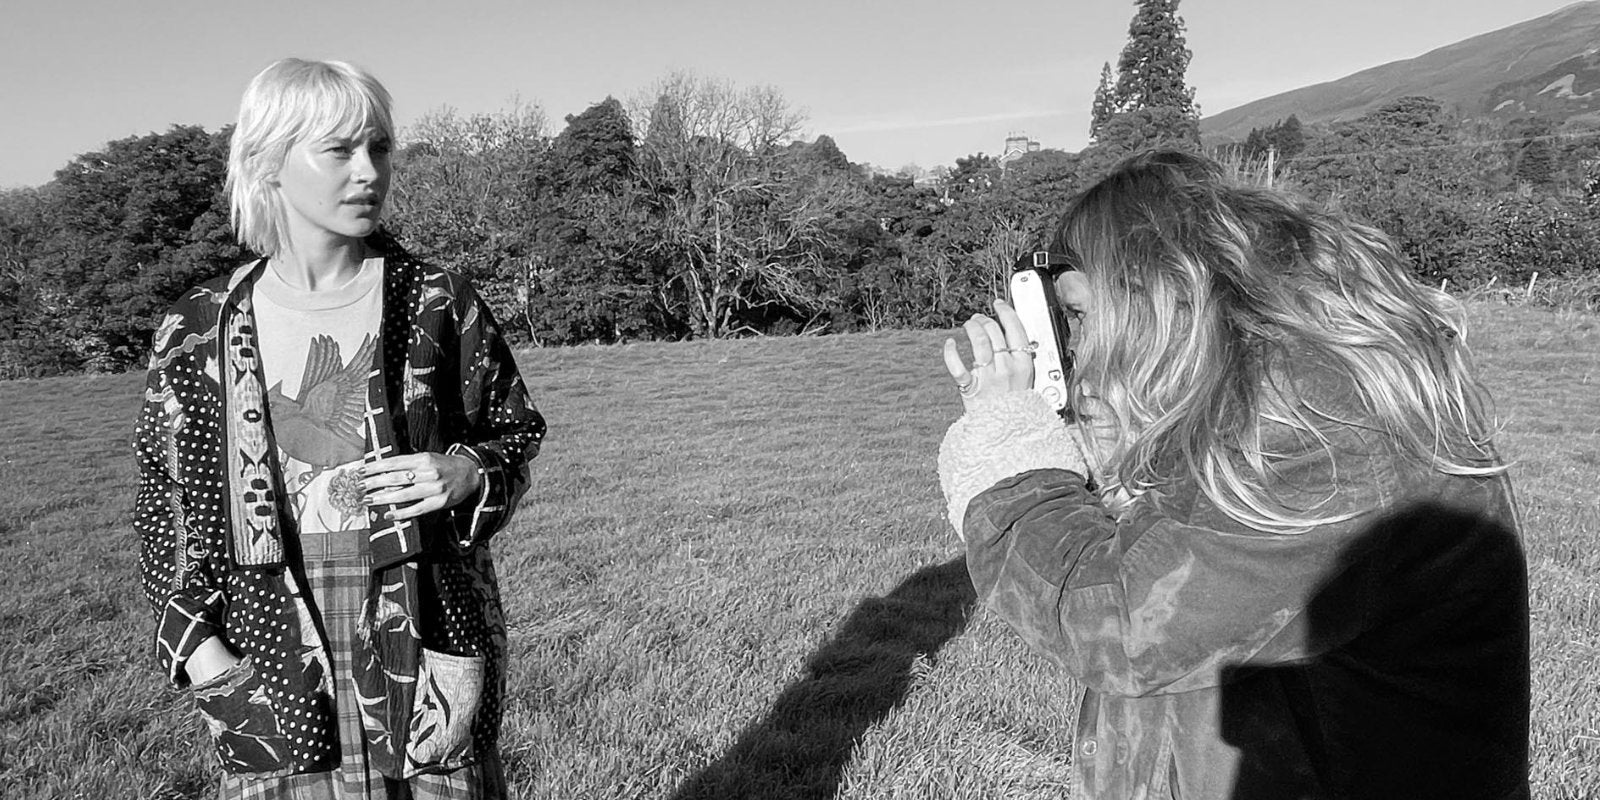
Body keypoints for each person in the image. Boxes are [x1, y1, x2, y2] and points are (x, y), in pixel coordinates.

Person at [937, 149, 1529, 799]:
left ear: (1162, 288)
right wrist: (1125, 446)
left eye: (1077, 314)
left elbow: (1121, 624)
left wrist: (1011, 464)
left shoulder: (1323, 425)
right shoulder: (1274, 394)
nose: (1074, 348)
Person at [134, 58, 545, 799]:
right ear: (268, 161)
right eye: (339, 150)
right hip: (269, 645)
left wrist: (468, 470)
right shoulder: (196, 330)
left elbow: (515, 430)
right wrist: (200, 653)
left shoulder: (436, 302)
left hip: (423, 626)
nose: (369, 171)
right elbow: (165, 508)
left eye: (380, 147)